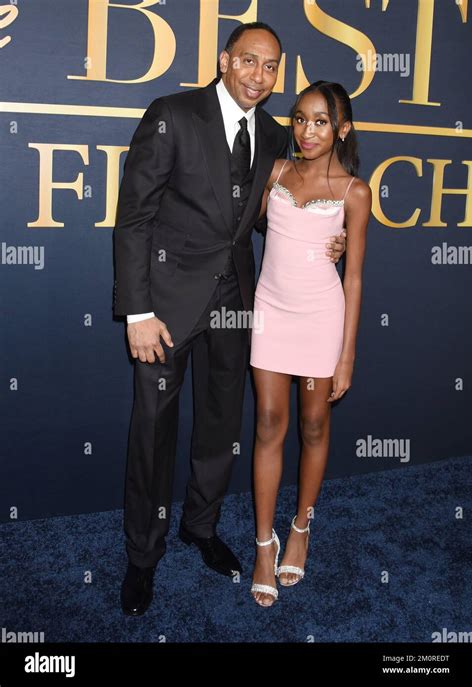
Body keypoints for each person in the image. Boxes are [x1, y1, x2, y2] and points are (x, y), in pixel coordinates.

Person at [113, 24, 347, 616]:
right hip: (165, 305)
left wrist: (331, 235)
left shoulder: (273, 135)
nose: (258, 76)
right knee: (153, 431)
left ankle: (201, 525)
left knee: (221, 423)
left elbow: (270, 213)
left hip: (239, 300)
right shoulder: (172, 115)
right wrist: (137, 310)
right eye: (248, 61)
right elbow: (134, 217)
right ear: (225, 61)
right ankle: (143, 556)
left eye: (270, 67)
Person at [249, 81, 371, 607]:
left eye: (321, 121)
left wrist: (347, 354)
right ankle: (263, 543)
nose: (307, 130)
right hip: (271, 312)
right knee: (268, 423)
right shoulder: (275, 172)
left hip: (322, 318)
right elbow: (247, 223)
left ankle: (301, 526)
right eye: (300, 118)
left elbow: (355, 278)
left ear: (342, 129)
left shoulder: (354, 192)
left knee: (314, 424)